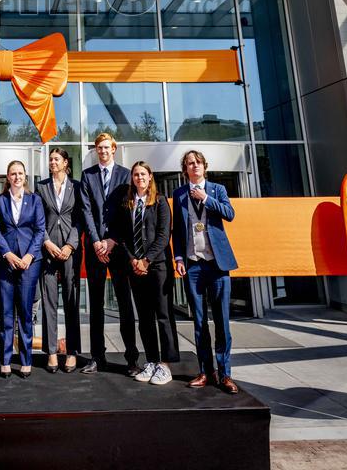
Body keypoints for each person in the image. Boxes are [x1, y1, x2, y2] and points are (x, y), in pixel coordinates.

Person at [172, 149, 239, 394]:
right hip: (194, 266)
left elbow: (229, 214)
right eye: (190, 163)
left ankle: (225, 374)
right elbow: (177, 231)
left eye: (198, 162)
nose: (194, 166)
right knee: (199, 322)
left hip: (218, 265)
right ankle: (205, 371)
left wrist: (206, 199)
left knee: (222, 321)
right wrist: (178, 257)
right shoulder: (178, 194)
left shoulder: (217, 190)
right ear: (185, 170)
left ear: (204, 166)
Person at [113, 162, 179, 385]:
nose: (139, 177)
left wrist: (146, 259)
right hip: (135, 267)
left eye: (143, 174)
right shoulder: (128, 203)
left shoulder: (159, 202)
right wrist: (133, 259)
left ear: (150, 177)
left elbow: (163, 235)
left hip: (158, 266)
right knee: (145, 317)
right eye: (135, 174)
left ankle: (165, 365)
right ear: (132, 178)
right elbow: (123, 236)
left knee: (163, 315)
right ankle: (151, 360)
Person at [80, 132, 139, 376]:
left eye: (107, 147)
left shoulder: (126, 175)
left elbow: (128, 212)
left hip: (118, 248)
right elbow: (85, 210)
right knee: (96, 305)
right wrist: (96, 242)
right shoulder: (87, 175)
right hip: (95, 250)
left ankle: (132, 359)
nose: (103, 151)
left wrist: (111, 241)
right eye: (99, 148)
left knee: (125, 304)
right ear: (96, 150)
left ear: (113, 149)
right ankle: (97, 357)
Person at [0, 160, 45, 378]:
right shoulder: (1, 201)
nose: (17, 177)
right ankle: (4, 360)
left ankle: (25, 360)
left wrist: (29, 256)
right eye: (13, 173)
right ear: (7, 177)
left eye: (20, 173)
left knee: (24, 313)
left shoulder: (35, 200)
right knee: (5, 313)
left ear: (25, 176)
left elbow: (40, 230)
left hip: (29, 264)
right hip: (5, 263)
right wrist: (8, 254)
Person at [37, 147, 83, 373]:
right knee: (49, 302)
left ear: (66, 162)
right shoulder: (41, 187)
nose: (52, 162)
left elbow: (80, 219)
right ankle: (52, 352)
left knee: (72, 302)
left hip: (70, 251)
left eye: (57, 159)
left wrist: (70, 245)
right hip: (47, 250)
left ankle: (72, 351)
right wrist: (47, 242)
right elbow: (37, 219)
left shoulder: (77, 187)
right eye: (50, 159)